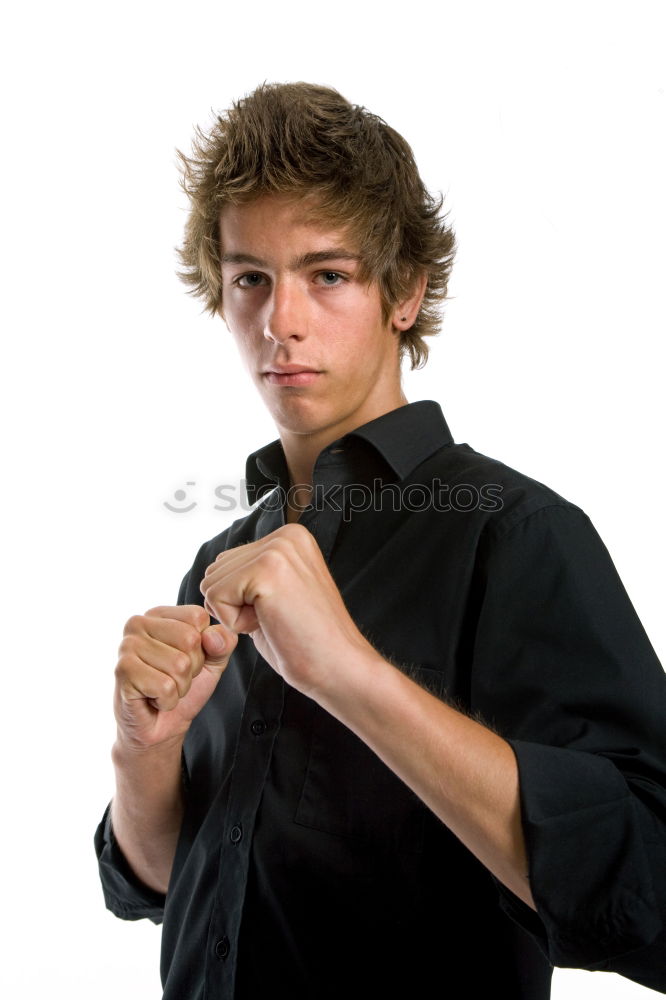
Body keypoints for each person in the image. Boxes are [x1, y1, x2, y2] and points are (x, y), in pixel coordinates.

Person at [95, 82, 666, 999]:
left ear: (404, 290)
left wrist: (349, 672)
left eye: (328, 275)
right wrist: (143, 749)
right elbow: (167, 881)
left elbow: (649, 887)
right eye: (252, 278)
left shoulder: (515, 535)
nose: (281, 320)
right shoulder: (221, 564)